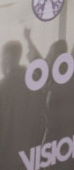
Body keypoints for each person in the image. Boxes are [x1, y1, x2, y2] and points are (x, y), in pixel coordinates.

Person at [0, 41, 45, 170]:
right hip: (31, 156)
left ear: (7, 58)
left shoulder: (4, 86)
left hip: (8, 158)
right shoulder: (35, 82)